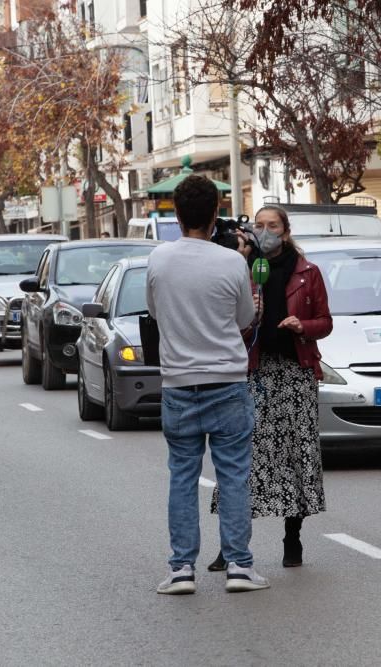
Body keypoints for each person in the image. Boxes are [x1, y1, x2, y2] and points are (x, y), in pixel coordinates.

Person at [145, 175, 270, 595]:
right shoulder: (232, 261)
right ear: (215, 213)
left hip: (179, 383)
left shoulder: (159, 260)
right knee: (233, 475)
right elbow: (242, 320)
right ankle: (239, 565)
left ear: (177, 216)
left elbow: (156, 313)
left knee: (182, 476)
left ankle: (181, 569)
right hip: (227, 381)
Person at [208, 204, 333, 570]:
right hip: (253, 374)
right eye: (259, 225)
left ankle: (292, 539)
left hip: (295, 374)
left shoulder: (308, 273)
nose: (265, 231)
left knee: (296, 457)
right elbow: (225, 323)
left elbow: (325, 321)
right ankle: (230, 546)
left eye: (272, 225)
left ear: (286, 230)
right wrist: (250, 312)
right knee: (243, 460)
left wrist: (303, 326)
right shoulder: (242, 270)